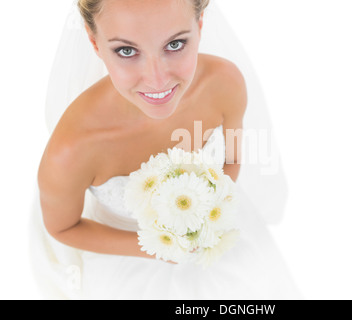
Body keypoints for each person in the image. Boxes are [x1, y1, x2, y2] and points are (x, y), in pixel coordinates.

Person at [31, 0, 303, 300]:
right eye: (126, 51)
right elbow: (62, 228)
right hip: (128, 269)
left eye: (175, 44)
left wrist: (207, 219)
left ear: (200, 26)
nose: (157, 80)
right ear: (95, 43)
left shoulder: (225, 83)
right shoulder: (72, 149)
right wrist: (160, 247)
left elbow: (233, 158)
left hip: (219, 237)